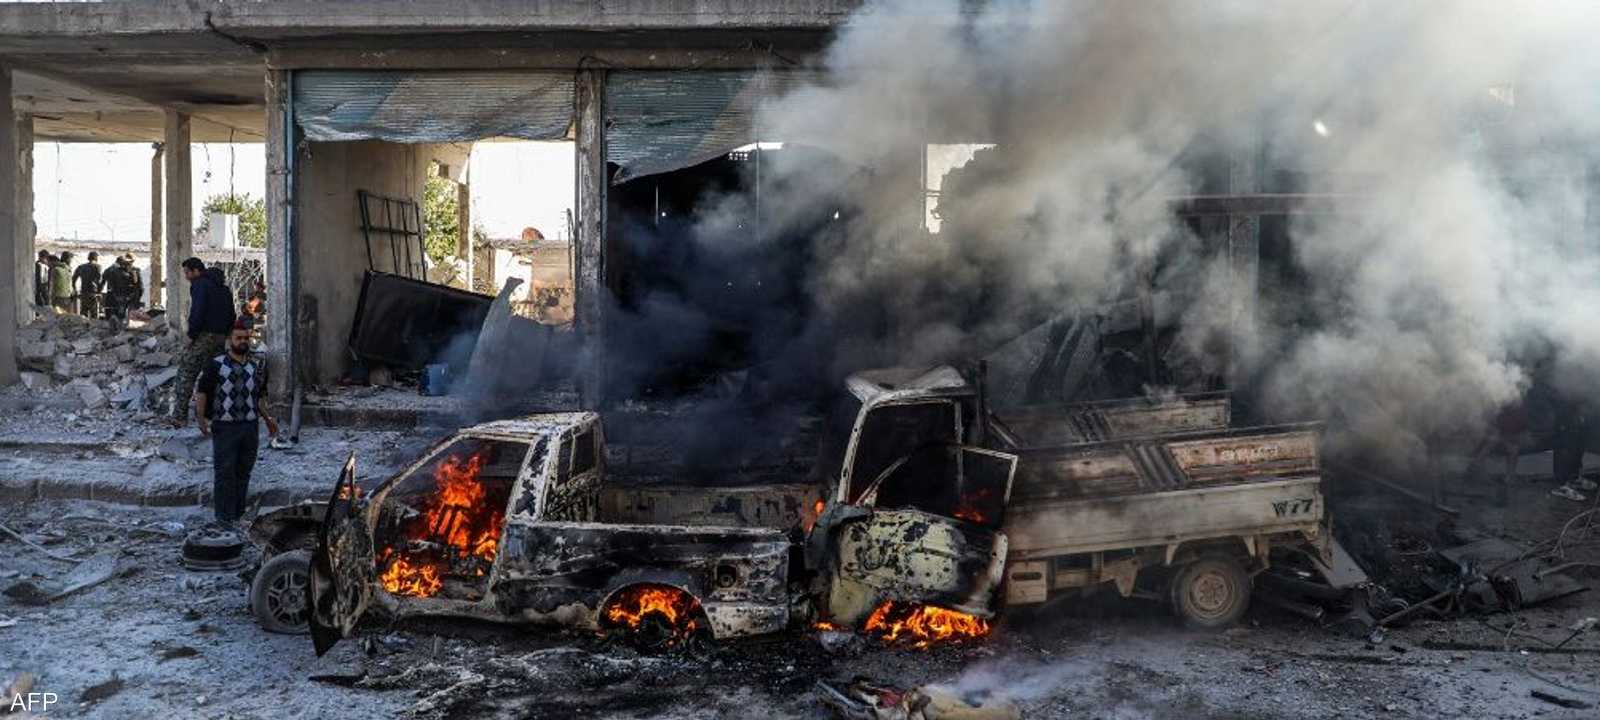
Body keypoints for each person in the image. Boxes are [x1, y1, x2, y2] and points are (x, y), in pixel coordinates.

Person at [195, 318, 278, 523]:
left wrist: (268, 420)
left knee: (244, 472)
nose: (242, 341)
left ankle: (238, 514)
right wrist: (200, 418)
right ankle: (223, 518)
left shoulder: (254, 367)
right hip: (224, 426)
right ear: (230, 340)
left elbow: (257, 397)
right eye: (238, 338)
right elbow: (202, 392)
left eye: (246, 338)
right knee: (224, 473)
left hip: (249, 427)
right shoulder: (216, 365)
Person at [172, 257, 236, 424]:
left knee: (186, 372)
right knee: (215, 377)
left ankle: (179, 417)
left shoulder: (200, 285)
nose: (186, 276)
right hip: (220, 337)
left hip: (204, 336)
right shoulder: (224, 289)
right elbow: (232, 314)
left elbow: (198, 311)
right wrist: (226, 335)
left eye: (187, 272)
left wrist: (191, 335)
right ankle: (218, 415)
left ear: (196, 271)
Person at [102, 253, 144, 329]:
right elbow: (140, 286)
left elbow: (112, 285)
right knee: (131, 318)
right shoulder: (135, 270)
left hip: (121, 297)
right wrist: (138, 297)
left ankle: (119, 332)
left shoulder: (116, 271)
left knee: (121, 316)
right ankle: (127, 331)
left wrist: (116, 295)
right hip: (131, 297)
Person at [73, 251, 105, 320]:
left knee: (83, 316)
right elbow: (100, 281)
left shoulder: (81, 267)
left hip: (83, 293)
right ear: (96, 258)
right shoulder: (98, 267)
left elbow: (73, 279)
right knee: (94, 317)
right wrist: (99, 292)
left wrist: (75, 289)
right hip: (93, 294)